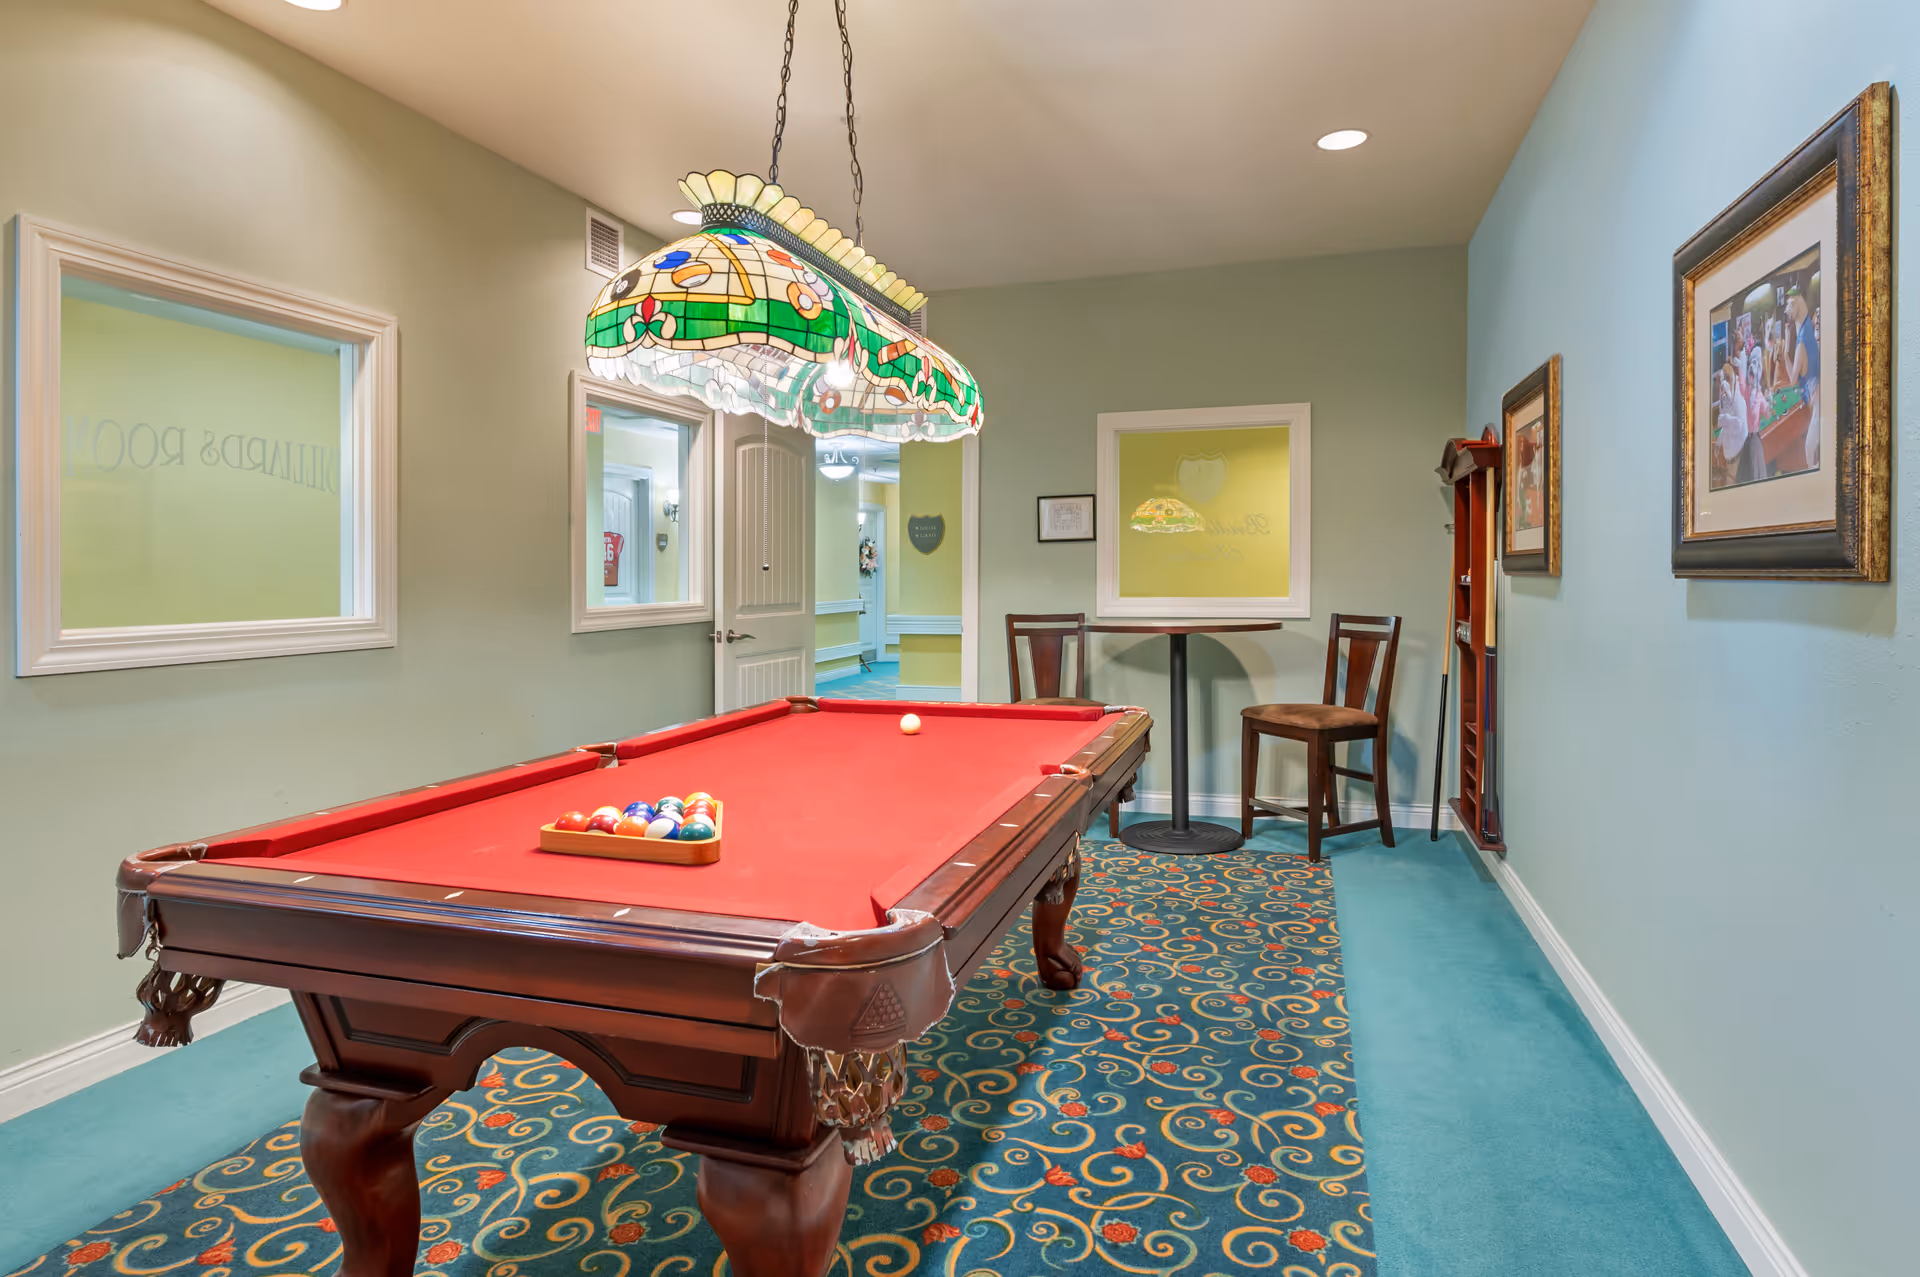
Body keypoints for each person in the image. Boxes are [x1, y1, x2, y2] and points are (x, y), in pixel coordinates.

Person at [1786, 286, 1819, 472]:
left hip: (1819, 403)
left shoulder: (1801, 343)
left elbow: (1792, 380)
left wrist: (1785, 352)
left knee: (1809, 451)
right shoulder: (1807, 329)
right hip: (1816, 399)